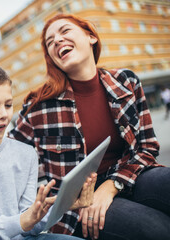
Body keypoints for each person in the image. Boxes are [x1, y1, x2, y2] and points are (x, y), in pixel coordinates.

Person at [9, 14, 170, 240]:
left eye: (65, 31)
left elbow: (147, 147)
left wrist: (112, 186)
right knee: (157, 230)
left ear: (91, 37)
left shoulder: (126, 82)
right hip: (80, 205)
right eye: (50, 41)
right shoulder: (38, 107)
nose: (57, 40)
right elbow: (7, 164)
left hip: (129, 176)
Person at [0, 62, 97, 240]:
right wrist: (21, 221)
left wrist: (63, 206)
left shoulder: (26, 154)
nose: (4, 114)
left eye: (8, 105)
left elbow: (29, 226)